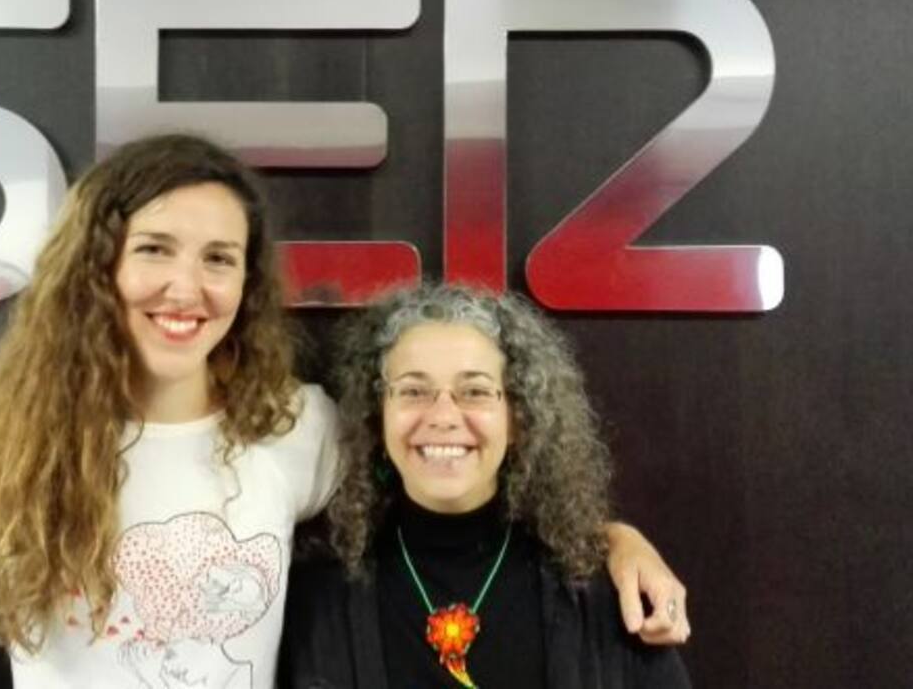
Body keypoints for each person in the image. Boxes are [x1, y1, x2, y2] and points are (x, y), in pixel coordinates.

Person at [0, 134, 686, 688]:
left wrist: (613, 538)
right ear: (98, 267)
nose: (186, 287)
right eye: (155, 249)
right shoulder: (3, 436)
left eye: (219, 259)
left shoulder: (297, 427)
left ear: (247, 282)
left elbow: (455, 477)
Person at [280, 283, 691, 689]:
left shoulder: (607, 594)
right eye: (413, 391)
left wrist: (617, 539)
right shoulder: (315, 599)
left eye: (474, 391)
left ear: (517, 419)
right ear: (377, 415)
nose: (443, 416)